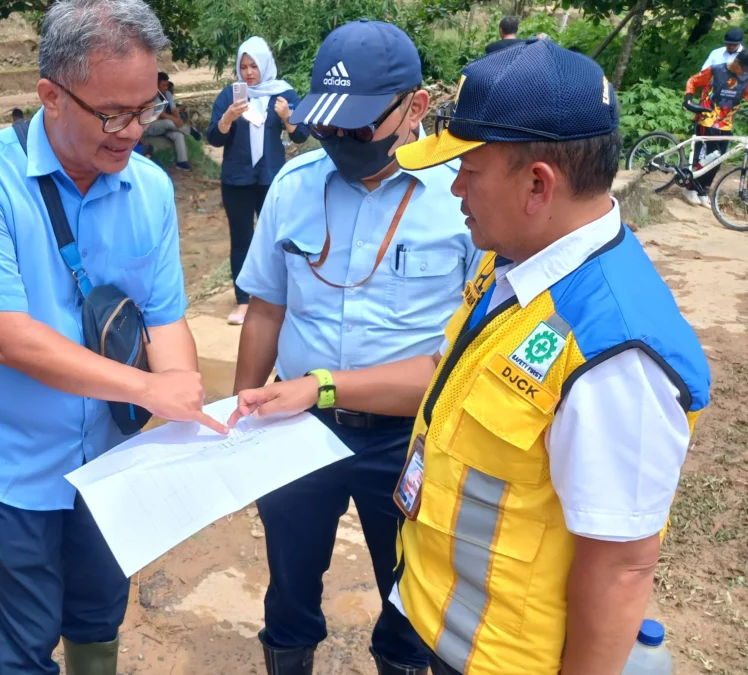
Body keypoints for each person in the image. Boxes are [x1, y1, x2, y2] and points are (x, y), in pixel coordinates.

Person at [241, 38, 713, 675]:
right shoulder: (516, 268)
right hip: (460, 638)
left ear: (538, 185)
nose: (454, 185)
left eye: (470, 168)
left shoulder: (615, 353)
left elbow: (621, 566)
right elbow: (445, 371)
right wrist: (321, 386)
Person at [0, 1, 227, 673]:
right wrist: (150, 385)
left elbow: (162, 314)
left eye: (147, 107)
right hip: (13, 468)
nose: (132, 132)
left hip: (110, 463)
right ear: (51, 97)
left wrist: (181, 393)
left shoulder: (149, 190)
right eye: (112, 114)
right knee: (24, 644)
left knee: (98, 616)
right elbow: (6, 336)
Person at [228, 19, 479, 675]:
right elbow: (264, 310)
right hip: (294, 425)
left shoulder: (465, 200)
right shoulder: (294, 186)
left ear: (416, 107)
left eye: (357, 126)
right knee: (287, 583)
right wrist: (239, 418)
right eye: (327, 125)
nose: (338, 141)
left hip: (408, 441)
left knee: (410, 593)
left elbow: (467, 360)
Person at [208, 36, 309, 326]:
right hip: (237, 179)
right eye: (243, 66)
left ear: (265, 64)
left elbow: (301, 135)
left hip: (271, 178)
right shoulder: (230, 95)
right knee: (241, 239)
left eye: (254, 66)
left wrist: (288, 118)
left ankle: (277, 297)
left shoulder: (283, 93)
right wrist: (227, 118)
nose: (249, 72)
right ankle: (243, 301)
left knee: (277, 239)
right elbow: (214, 138)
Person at [682, 50, 748, 206]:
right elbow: (693, 81)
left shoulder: (745, 78)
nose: (745, 72)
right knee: (706, 157)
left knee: (719, 160)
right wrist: (688, 99)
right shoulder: (716, 70)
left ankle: (702, 190)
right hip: (707, 120)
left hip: (726, 123)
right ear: (737, 62)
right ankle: (689, 188)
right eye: (744, 68)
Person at [143, 71, 201, 171]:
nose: (165, 88)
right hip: (151, 126)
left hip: (166, 125)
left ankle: (182, 162)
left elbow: (174, 110)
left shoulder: (168, 94)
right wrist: (175, 120)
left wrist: (178, 118)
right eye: (163, 85)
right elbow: (160, 114)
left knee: (178, 135)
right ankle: (189, 130)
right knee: (169, 122)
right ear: (155, 84)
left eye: (167, 85)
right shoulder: (150, 96)